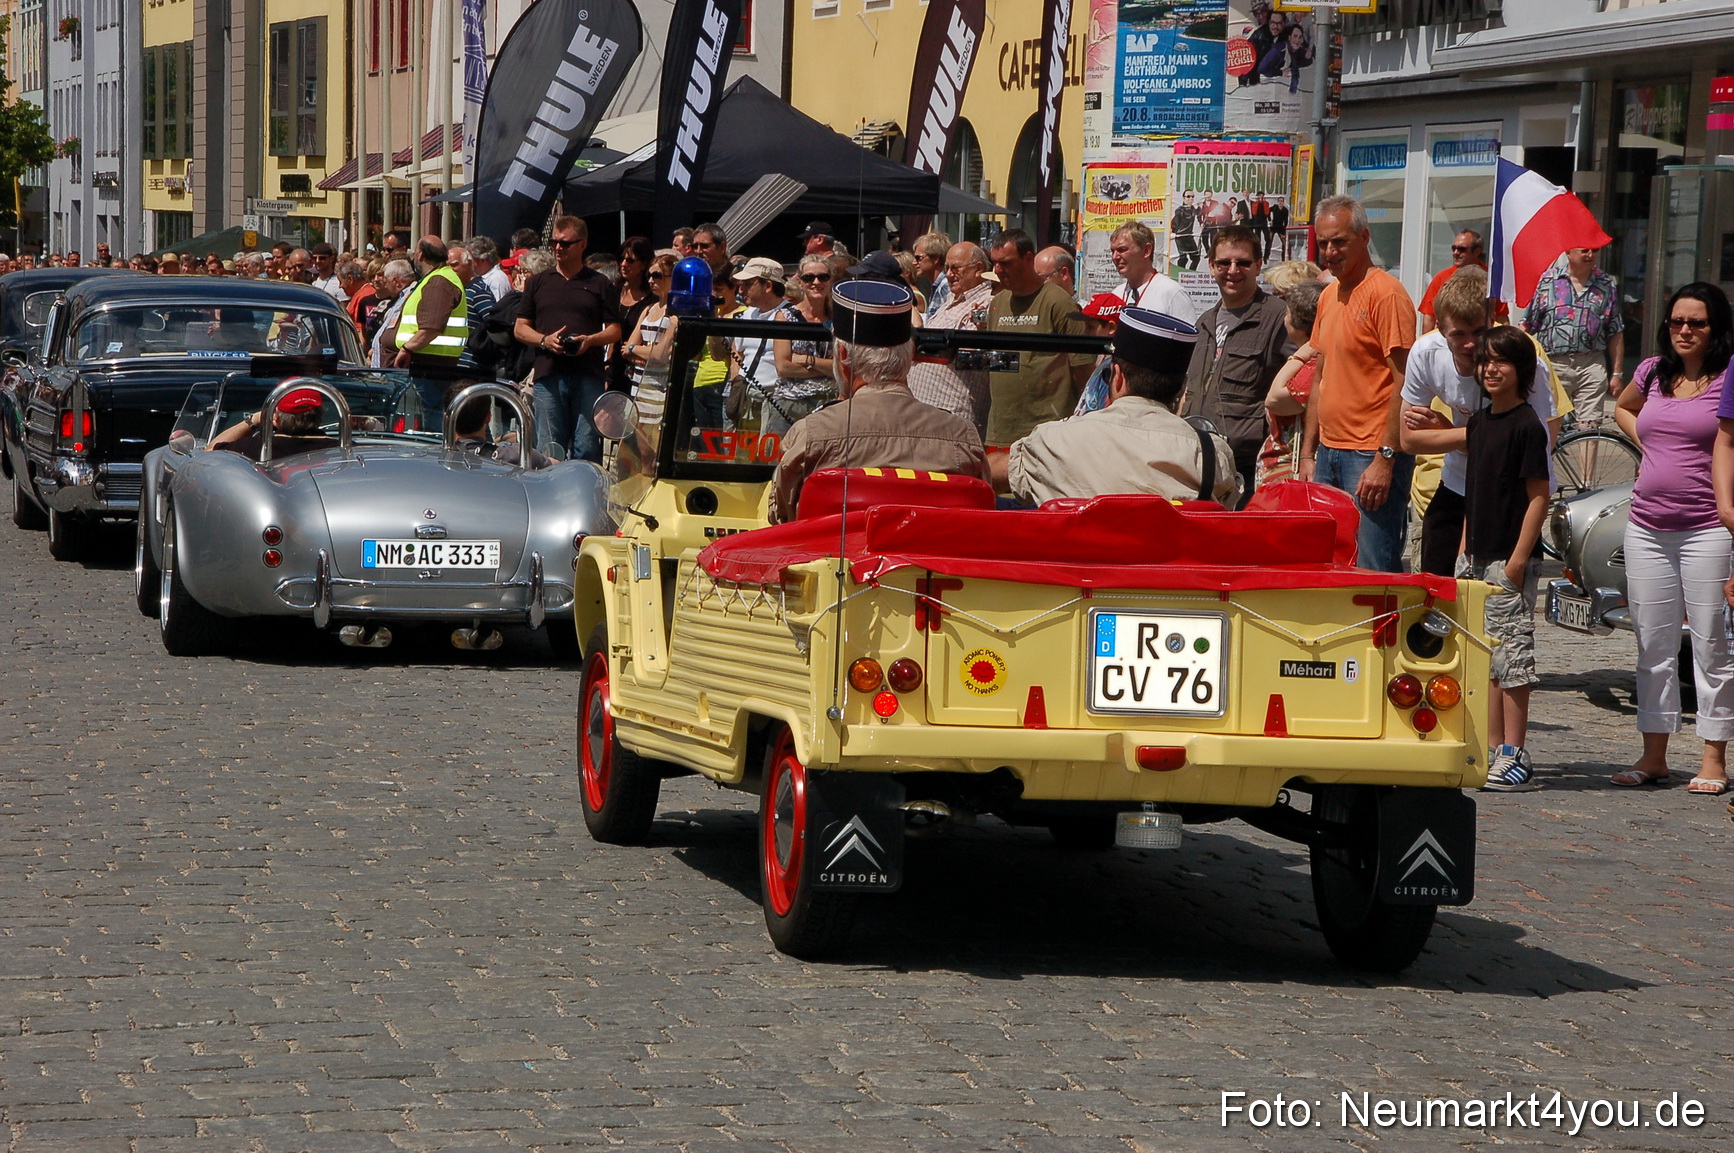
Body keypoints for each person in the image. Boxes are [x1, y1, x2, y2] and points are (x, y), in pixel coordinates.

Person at [1620, 284, 1734, 793]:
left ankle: (1713, 758)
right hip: (1646, 525)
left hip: (1707, 527)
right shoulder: (1652, 372)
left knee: (1712, 643)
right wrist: (1650, 445)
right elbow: (1624, 407)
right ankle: (1654, 754)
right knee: (1652, 643)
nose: (1684, 331)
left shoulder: (1727, 378)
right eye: (1676, 322)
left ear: (1716, 328)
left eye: (1697, 323)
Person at [769, 280, 988, 523]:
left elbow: (781, 517)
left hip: (835, 558)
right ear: (910, 353)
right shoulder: (963, 437)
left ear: (842, 356)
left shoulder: (810, 435)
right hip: (928, 559)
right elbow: (978, 516)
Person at [1399, 268, 1558, 577]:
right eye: (1459, 334)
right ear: (1442, 331)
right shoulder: (1426, 352)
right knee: (1434, 587)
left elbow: (1533, 446)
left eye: (1478, 332)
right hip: (1458, 480)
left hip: (1510, 494)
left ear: (1492, 323)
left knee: (1495, 597)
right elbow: (1408, 440)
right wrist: (1478, 437)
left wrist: (1449, 433)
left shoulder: (1522, 361)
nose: (1471, 344)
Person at [996, 308, 1237, 509]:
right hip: (1162, 565)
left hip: (1079, 565)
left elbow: (989, 475)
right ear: (1179, 389)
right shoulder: (1209, 454)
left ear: (1117, 377)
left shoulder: (1053, 441)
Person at [1297, 195, 1418, 572]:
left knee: (1373, 569)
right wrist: (1308, 453)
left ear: (1364, 238)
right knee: (1332, 566)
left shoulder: (1386, 293)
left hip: (1369, 454)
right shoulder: (1329, 294)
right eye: (1324, 242)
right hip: (1331, 453)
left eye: (1340, 242)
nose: (1330, 252)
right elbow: (1321, 376)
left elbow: (1404, 382)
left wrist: (1385, 458)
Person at [1461, 327, 1551, 791]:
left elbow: (1539, 497)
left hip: (1507, 560)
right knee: (1484, 658)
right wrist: (1463, 549)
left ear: (1522, 370)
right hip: (1475, 558)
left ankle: (1516, 750)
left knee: (1512, 657)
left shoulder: (1526, 425)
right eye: (1485, 360)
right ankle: (1492, 746)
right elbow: (1472, 492)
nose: (1491, 369)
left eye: (1502, 361)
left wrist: (1517, 560)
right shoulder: (1479, 423)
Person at [1182, 225, 1290, 504]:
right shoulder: (1204, 321)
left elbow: (1301, 385)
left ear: (1258, 266)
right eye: (1224, 263)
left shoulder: (1278, 317)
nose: (1232, 271)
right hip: (1199, 462)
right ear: (1211, 266)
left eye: (1242, 263)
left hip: (1247, 467)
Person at [514, 216, 623, 461]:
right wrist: (544, 340)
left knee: (587, 446)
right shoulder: (537, 282)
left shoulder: (599, 283)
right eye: (554, 242)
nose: (558, 248)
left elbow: (615, 330)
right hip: (548, 374)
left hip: (588, 374)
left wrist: (591, 340)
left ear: (582, 244)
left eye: (566, 243)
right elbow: (520, 328)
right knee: (550, 448)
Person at [985, 228, 1096, 449]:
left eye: (1006, 263)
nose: (998, 270)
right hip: (1001, 429)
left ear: (1028, 258)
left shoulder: (1058, 302)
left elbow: (1083, 370)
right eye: (995, 263)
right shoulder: (997, 303)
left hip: (1046, 432)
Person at [1523, 245, 1626, 424]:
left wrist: (1617, 374)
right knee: (1549, 422)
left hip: (1591, 363)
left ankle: (1587, 451)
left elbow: (1615, 330)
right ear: (1568, 252)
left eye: (1594, 251)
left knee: (1590, 425)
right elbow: (1529, 323)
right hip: (1554, 364)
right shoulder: (1548, 280)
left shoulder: (1605, 283)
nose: (1590, 255)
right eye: (1585, 250)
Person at [909, 242, 997, 434]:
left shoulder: (988, 303)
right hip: (926, 412)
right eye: (947, 268)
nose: (948, 274)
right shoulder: (951, 298)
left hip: (953, 416)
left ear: (978, 269)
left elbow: (983, 358)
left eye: (955, 268)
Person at [1258, 280, 1322, 487]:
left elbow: (1274, 399)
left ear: (1300, 324)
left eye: (1287, 314)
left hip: (1293, 474)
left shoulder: (1312, 365)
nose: (1284, 319)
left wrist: (1301, 354)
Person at [767, 255, 838, 436]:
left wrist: (807, 360)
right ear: (800, 282)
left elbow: (843, 367)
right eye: (809, 278)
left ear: (830, 281)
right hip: (790, 405)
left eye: (823, 277)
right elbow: (783, 368)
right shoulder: (785, 317)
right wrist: (827, 367)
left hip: (828, 406)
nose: (816, 282)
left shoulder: (839, 320)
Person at [385, 235, 468, 371]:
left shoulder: (439, 282)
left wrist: (407, 348)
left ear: (421, 255)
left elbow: (431, 328)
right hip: (426, 362)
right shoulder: (434, 278)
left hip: (428, 366)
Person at [206, 387, 337, 460]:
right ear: (320, 414)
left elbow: (209, 453)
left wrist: (254, 420)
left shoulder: (252, 447)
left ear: (275, 417)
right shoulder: (342, 451)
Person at [446, 383, 552, 469]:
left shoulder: (436, 460)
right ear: (488, 417)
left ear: (446, 418)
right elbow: (555, 466)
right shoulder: (518, 455)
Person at [1108, 222, 1196, 321]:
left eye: (1122, 249)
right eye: (1112, 251)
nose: (1115, 257)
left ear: (1146, 251)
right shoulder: (1116, 294)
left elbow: (1189, 335)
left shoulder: (1172, 293)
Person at [1418, 230, 1486, 334]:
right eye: (1454, 248)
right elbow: (1429, 317)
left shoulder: (1490, 278)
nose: (1455, 253)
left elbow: (1501, 317)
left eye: (1461, 249)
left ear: (1477, 251)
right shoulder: (1441, 278)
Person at [449, 243, 495, 375]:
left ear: (469, 264)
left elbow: (493, 323)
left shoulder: (478, 291)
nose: (450, 270)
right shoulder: (459, 290)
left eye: (454, 265)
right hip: (454, 365)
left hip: (471, 367)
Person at [368, 259, 416, 368]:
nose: (385, 286)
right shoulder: (400, 297)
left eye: (386, 282)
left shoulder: (412, 295)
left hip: (397, 366)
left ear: (396, 281)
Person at [911, 231, 951, 317]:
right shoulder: (937, 287)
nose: (914, 262)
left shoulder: (945, 287)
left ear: (936, 259)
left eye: (919, 258)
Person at [337, 261, 374, 336]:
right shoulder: (360, 294)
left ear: (350, 279)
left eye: (341, 282)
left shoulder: (363, 297)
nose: (340, 286)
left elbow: (360, 331)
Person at [1171, 190, 1202, 272]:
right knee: (1183, 258)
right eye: (1188, 196)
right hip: (1181, 237)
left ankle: (1191, 274)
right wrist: (1176, 232)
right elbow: (1175, 224)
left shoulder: (1192, 208)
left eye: (1192, 196)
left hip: (1189, 237)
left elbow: (1197, 213)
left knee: (1196, 257)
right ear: (1183, 198)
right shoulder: (1180, 210)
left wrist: (1200, 207)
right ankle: (1180, 275)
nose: (1190, 198)